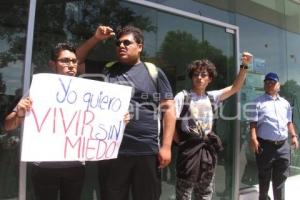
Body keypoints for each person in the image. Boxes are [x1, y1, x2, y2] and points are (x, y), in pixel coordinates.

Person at [76, 25, 176, 200]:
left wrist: (166, 147)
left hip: (146, 151)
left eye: (127, 42)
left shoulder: (153, 72)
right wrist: (96, 38)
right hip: (112, 152)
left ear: (140, 46)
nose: (121, 46)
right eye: (118, 43)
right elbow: (75, 62)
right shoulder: (106, 69)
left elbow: (169, 109)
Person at [4, 43, 85, 200]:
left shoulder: (88, 93)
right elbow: (8, 125)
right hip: (45, 167)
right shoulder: (38, 90)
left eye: (74, 61)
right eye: (65, 61)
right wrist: (19, 112)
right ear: (52, 64)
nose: (71, 65)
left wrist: (117, 120)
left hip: (76, 166)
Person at [174, 52, 252, 200]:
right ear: (191, 76)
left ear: (209, 78)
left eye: (204, 75)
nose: (199, 77)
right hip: (188, 151)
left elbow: (235, 87)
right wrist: (181, 142)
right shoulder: (182, 96)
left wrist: (244, 66)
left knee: (205, 192)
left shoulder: (212, 97)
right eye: (196, 74)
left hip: (207, 151)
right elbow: (170, 122)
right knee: (184, 193)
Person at [248, 72, 299, 200]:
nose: (269, 84)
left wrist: (293, 136)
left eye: (272, 82)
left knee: (281, 179)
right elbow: (253, 123)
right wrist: (253, 139)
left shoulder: (285, 104)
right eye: (267, 82)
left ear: (278, 85)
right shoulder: (257, 102)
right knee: (264, 178)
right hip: (265, 146)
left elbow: (288, 122)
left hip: (283, 146)